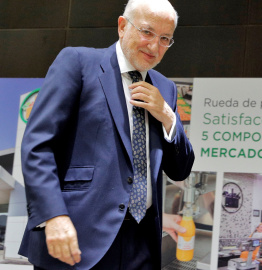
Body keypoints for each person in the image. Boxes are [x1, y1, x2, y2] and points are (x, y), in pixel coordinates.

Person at [18, 0, 194, 269]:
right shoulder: (78, 63)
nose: (154, 46)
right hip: (77, 236)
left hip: (141, 242)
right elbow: (38, 146)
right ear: (123, 26)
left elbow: (180, 169)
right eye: (147, 32)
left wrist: (168, 117)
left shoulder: (165, 89)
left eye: (165, 39)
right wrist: (53, 215)